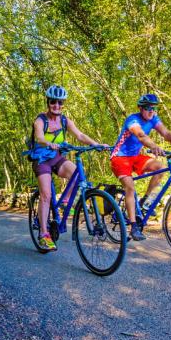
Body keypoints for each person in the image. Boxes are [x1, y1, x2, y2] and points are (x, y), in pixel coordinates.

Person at [110, 93, 171, 241]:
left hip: (135, 157)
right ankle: (133, 227)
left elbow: (167, 134)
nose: (151, 110)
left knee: (160, 167)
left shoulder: (154, 119)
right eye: (147, 108)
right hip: (120, 157)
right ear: (140, 108)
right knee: (130, 187)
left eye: (154, 108)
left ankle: (144, 202)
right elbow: (140, 135)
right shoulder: (132, 120)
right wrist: (154, 146)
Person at [30, 85, 108, 252]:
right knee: (46, 195)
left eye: (60, 102)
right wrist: (47, 143)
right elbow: (39, 136)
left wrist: (96, 144)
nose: (56, 105)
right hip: (41, 159)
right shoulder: (40, 120)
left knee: (78, 172)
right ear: (48, 102)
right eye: (53, 102)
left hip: (57, 157)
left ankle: (65, 202)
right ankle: (44, 235)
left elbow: (79, 135)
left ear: (63, 104)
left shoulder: (65, 120)